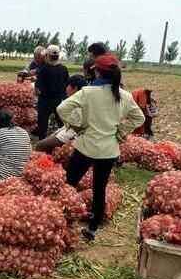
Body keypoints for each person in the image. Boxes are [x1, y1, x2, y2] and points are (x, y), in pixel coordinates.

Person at [57, 53, 144, 241]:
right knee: (99, 188)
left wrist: (77, 125)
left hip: (86, 146)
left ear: (97, 72)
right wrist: (121, 131)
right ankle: (93, 227)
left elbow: (62, 109)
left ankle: (60, 217)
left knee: (69, 183)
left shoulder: (88, 92)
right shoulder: (125, 96)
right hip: (109, 150)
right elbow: (140, 118)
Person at [35, 75, 87, 153]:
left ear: (75, 88)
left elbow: (74, 127)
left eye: (68, 86)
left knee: (40, 145)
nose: (66, 88)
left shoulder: (74, 103)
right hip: (70, 131)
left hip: (73, 134)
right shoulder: (83, 99)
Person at [35, 45, 70, 139]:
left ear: (47, 56)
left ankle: (42, 142)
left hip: (45, 101)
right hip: (60, 101)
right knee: (62, 124)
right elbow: (67, 85)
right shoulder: (64, 69)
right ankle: (63, 141)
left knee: (42, 125)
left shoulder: (43, 69)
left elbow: (38, 89)